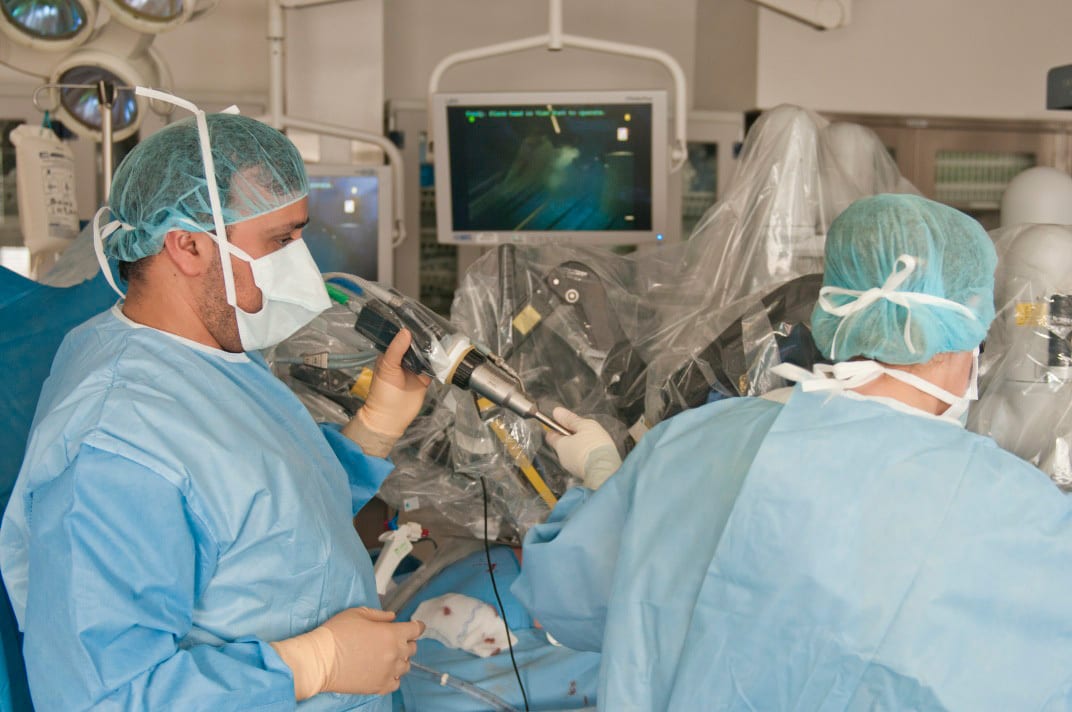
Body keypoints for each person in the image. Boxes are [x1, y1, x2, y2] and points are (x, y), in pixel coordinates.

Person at [516, 193, 1072, 710]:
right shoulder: (1027, 516)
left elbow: (567, 600)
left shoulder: (693, 442)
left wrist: (603, 477)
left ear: (835, 308)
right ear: (968, 334)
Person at [0, 93, 427, 711]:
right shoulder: (115, 446)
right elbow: (103, 698)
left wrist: (377, 425)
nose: (301, 267)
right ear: (187, 246)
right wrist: (311, 664)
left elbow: (261, 515)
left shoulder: (209, 357)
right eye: (279, 241)